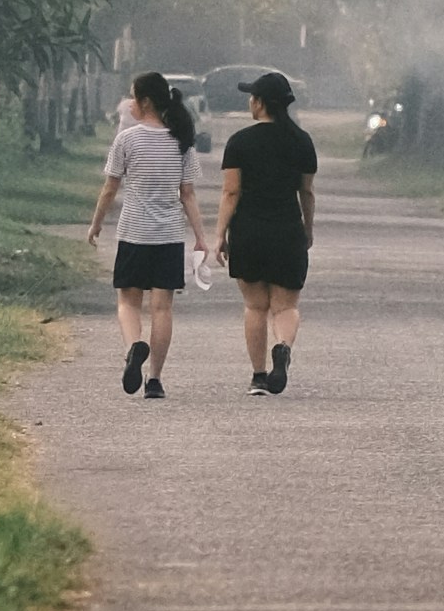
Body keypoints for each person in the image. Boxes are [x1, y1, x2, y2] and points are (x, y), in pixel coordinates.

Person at [86, 69, 205, 398]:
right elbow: (188, 195)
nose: (128, 103)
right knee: (162, 309)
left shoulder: (127, 139)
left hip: (134, 233)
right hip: (168, 236)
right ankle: (154, 380)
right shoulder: (181, 142)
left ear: (145, 102)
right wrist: (200, 237)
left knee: (127, 302)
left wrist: (96, 223)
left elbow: (110, 188)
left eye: (132, 96)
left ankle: (135, 345)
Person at [215, 70, 318, 395]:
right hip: (287, 231)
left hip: (249, 233)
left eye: (252, 97)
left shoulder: (240, 142)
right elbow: (307, 192)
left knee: (255, 306)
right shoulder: (302, 141)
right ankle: (283, 346)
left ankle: (259, 377)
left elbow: (231, 193)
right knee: (285, 307)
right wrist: (308, 229)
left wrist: (219, 235)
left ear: (260, 103)